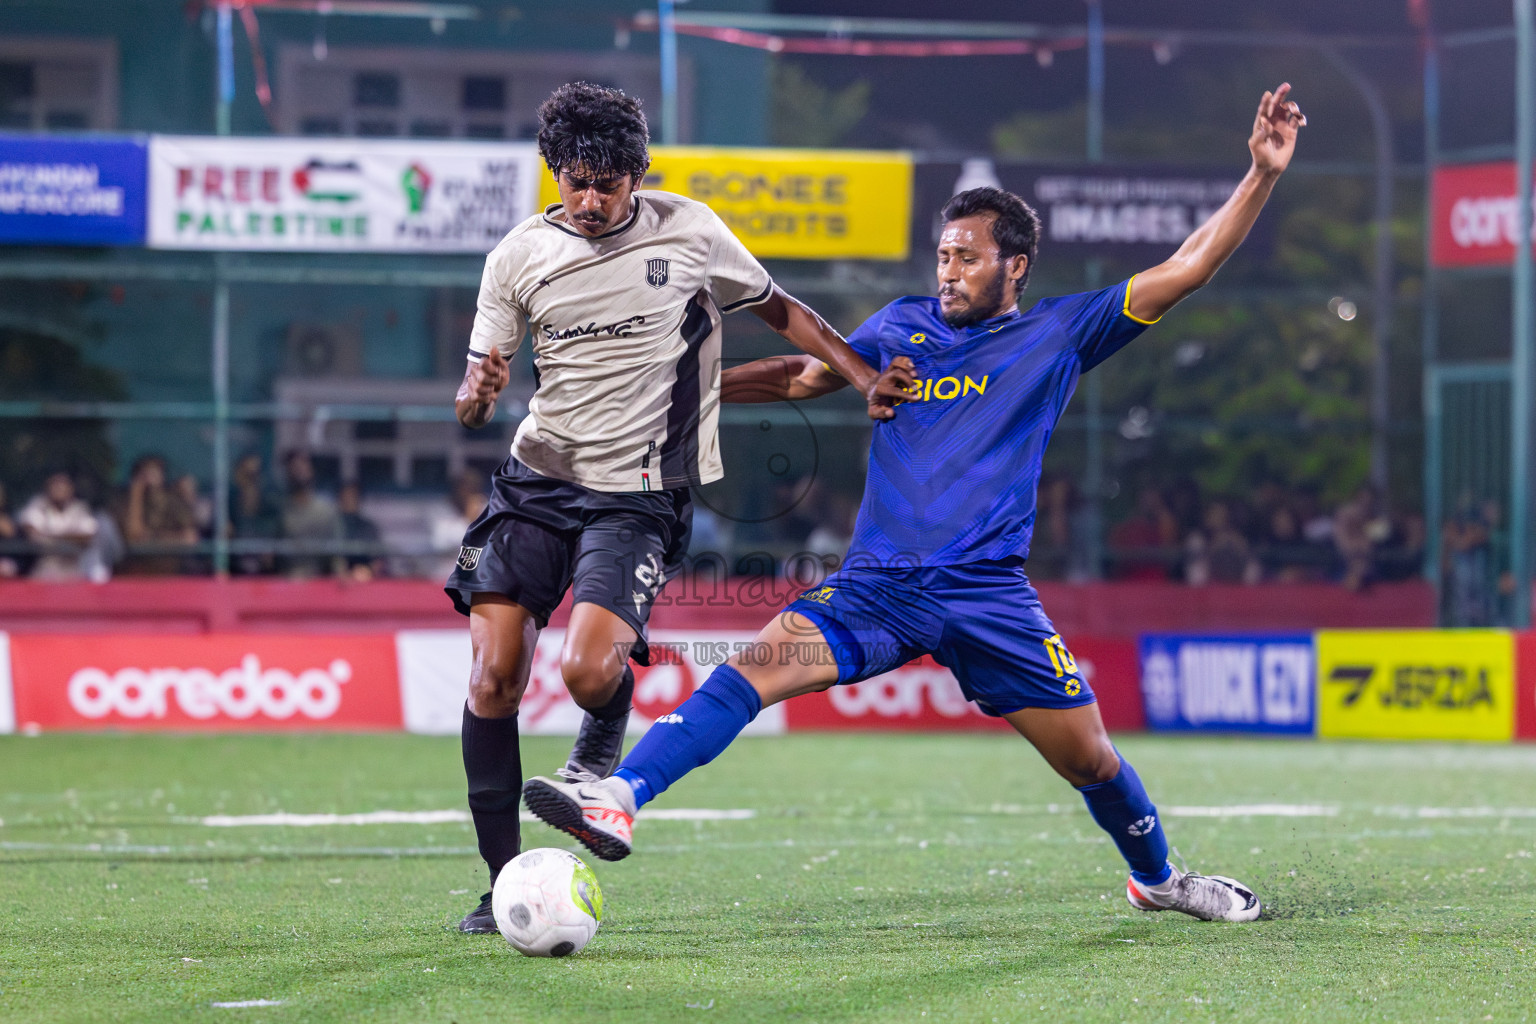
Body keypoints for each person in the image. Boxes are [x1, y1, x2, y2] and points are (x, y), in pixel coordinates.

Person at [524, 84, 1307, 925]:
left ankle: (1158, 879)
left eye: (968, 257)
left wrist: (1260, 175)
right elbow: (802, 373)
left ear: (1015, 267)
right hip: (878, 587)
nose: (950, 270)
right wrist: (680, 389)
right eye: (943, 255)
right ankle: (621, 795)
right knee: (744, 673)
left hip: (986, 595)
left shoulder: (1059, 335)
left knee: (1093, 761)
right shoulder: (901, 327)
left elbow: (1184, 270)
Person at [446, 81, 907, 933]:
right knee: (494, 678)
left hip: (638, 497)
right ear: (554, 173)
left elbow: (785, 314)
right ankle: (501, 880)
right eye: (574, 181)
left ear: (638, 176)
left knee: (588, 671)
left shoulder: (688, 230)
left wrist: (864, 376)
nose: (590, 200)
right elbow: (476, 399)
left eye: (608, 184)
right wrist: (477, 391)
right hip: (534, 486)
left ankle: (600, 738)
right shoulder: (516, 256)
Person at [116, 454, 198, 575]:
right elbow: (134, 536)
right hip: (138, 569)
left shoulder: (174, 502)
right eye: (145, 473)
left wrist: (155, 539)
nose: (150, 477)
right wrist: (136, 495)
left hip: (170, 569)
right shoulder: (127, 503)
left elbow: (190, 538)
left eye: (155, 471)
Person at [278, 449, 343, 580]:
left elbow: (337, 553)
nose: (299, 471)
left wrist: (340, 575)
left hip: (320, 583)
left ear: (312, 470)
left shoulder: (326, 511)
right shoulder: (280, 511)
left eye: (303, 466)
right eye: (294, 467)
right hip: (287, 581)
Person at [337, 481, 384, 581]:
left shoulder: (369, 527)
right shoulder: (332, 526)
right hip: (336, 578)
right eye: (345, 497)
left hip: (364, 579)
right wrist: (341, 572)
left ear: (359, 499)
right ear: (339, 499)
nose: (349, 500)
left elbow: (378, 559)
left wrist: (368, 571)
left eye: (353, 497)